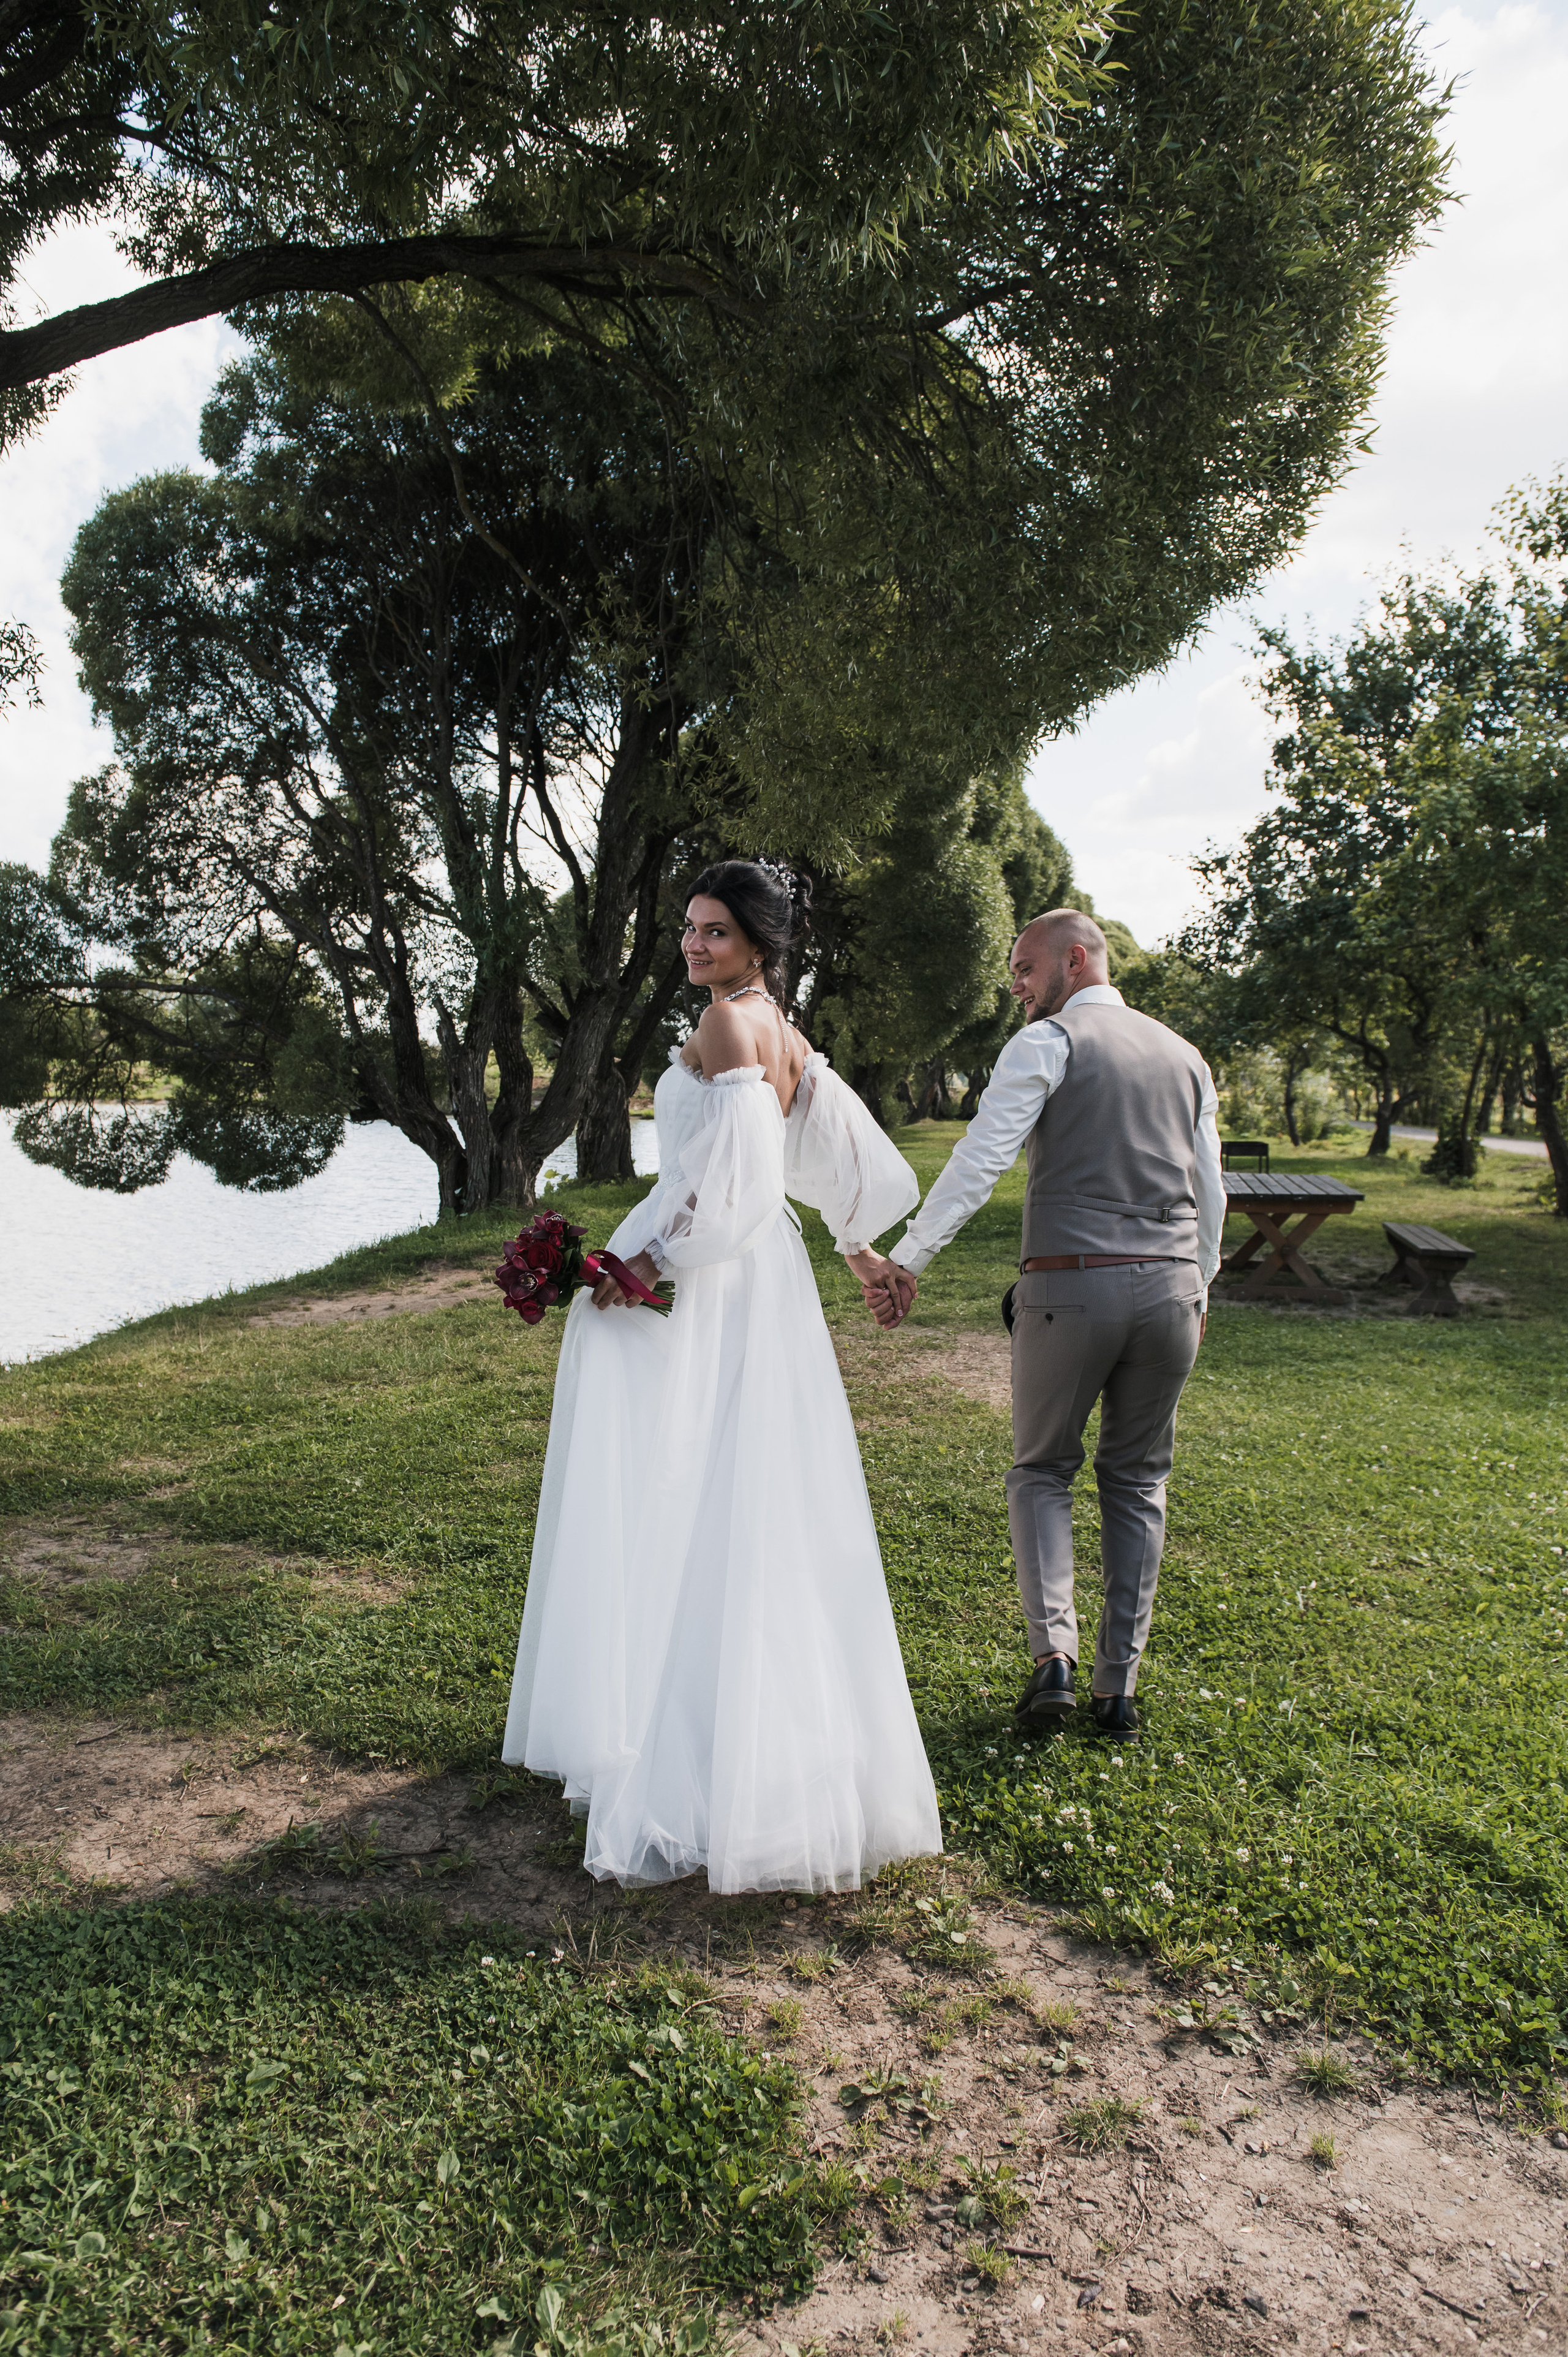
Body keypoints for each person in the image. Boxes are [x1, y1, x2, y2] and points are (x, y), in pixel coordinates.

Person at [502, 860, 942, 1890]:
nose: (695, 946)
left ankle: (684, 1752)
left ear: (756, 940)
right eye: (690, 930)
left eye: (714, 932)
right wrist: (860, 1250)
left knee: (683, 1486)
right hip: (761, 1282)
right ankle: (739, 1746)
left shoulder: (732, 1030)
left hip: (712, 1284)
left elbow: (739, 1186)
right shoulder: (782, 1031)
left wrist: (651, 1263)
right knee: (749, 1493)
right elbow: (834, 1159)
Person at [854, 910, 1224, 1742]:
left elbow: (981, 1159)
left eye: (1025, 968)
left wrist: (908, 1260)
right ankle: (1117, 1693)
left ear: (1076, 959)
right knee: (1137, 1483)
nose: (1016, 985)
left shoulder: (1048, 1043)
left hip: (1072, 1292)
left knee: (1041, 1472)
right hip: (1170, 1295)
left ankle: (1052, 1658)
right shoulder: (1185, 1055)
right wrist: (1198, 1286)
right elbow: (1212, 1188)